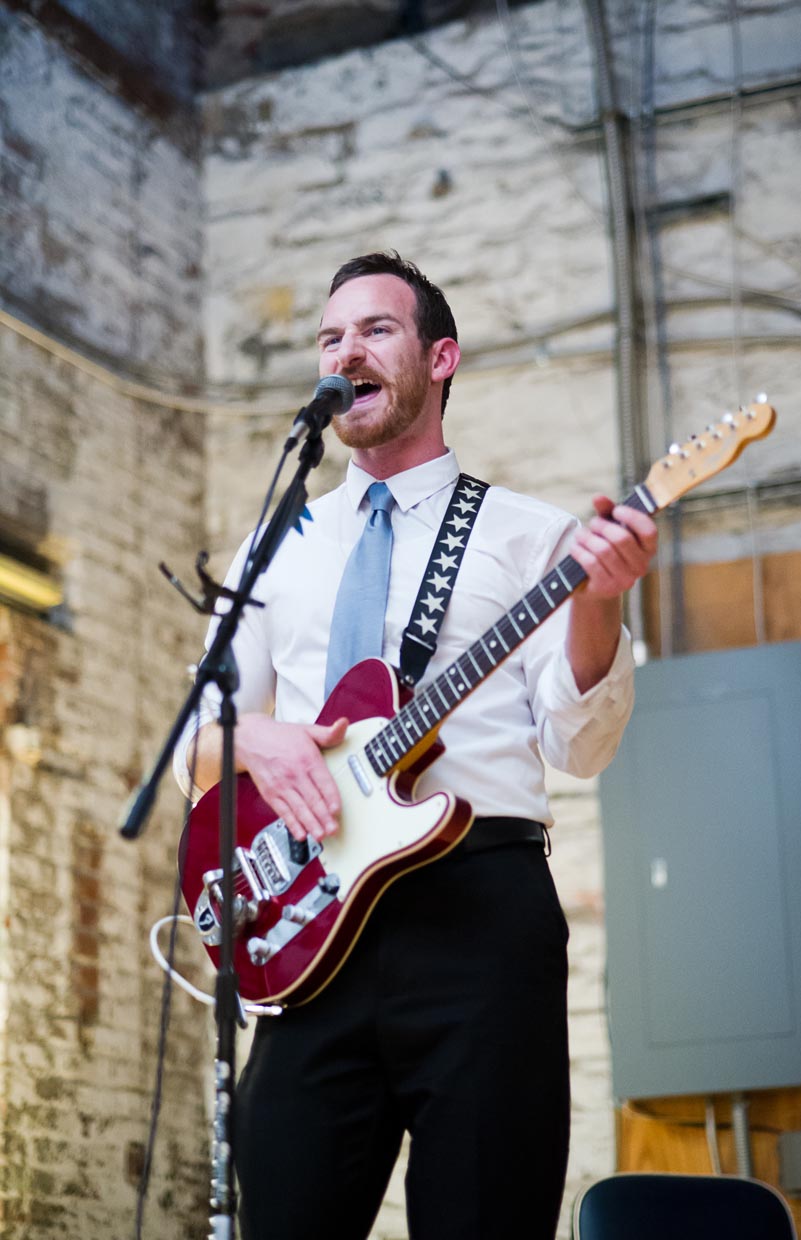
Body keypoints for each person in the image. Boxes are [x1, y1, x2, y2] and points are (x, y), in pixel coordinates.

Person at [175, 252, 657, 1240]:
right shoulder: (279, 546)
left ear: (441, 358)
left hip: (478, 918)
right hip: (309, 924)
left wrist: (598, 606)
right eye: (329, 337)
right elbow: (197, 744)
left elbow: (581, 745)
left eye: (375, 330)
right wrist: (256, 735)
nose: (345, 349)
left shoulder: (533, 538)